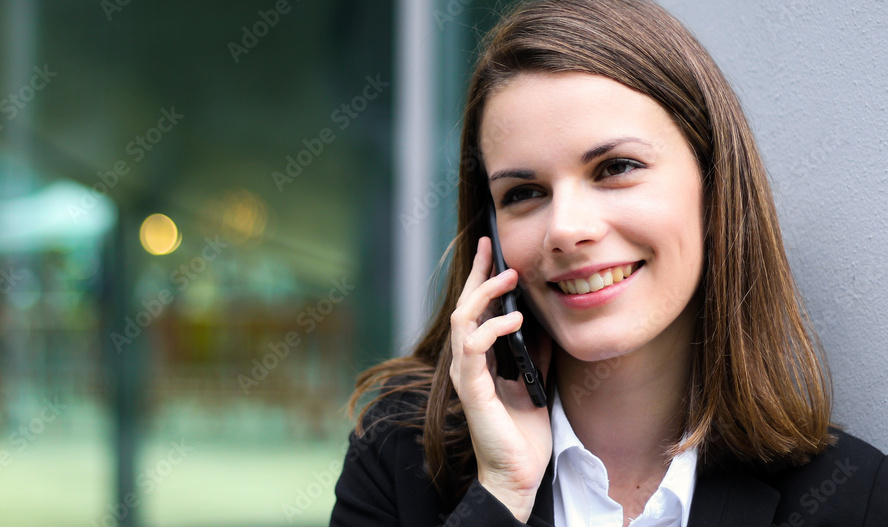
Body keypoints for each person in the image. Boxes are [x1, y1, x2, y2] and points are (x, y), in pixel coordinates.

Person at [329, 0, 888, 525]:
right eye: (523, 192)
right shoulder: (396, 457)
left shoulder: (853, 498)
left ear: (717, 192)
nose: (567, 229)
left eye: (615, 167)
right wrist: (500, 493)